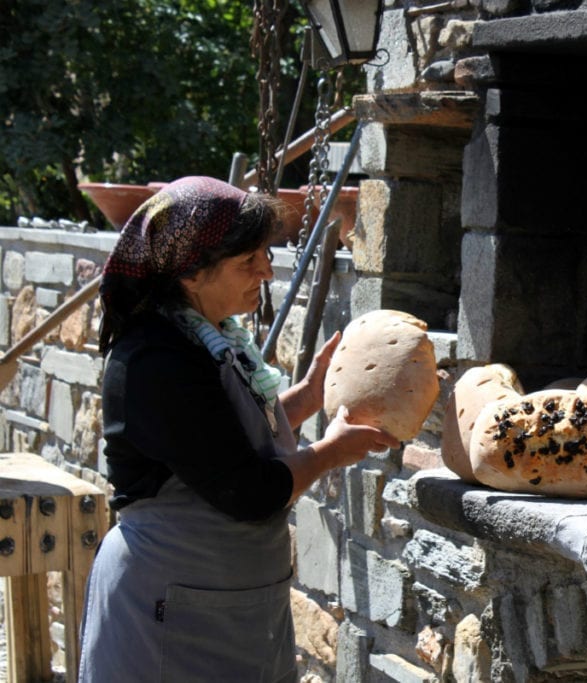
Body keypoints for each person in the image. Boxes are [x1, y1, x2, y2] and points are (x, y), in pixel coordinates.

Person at [78, 176, 399, 682]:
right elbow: (248, 489)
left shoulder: (206, 337)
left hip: (223, 601)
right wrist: (330, 452)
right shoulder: (156, 361)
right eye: (248, 261)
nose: (267, 271)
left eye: (264, 255)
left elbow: (220, 439)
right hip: (171, 609)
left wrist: (309, 395)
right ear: (190, 274)